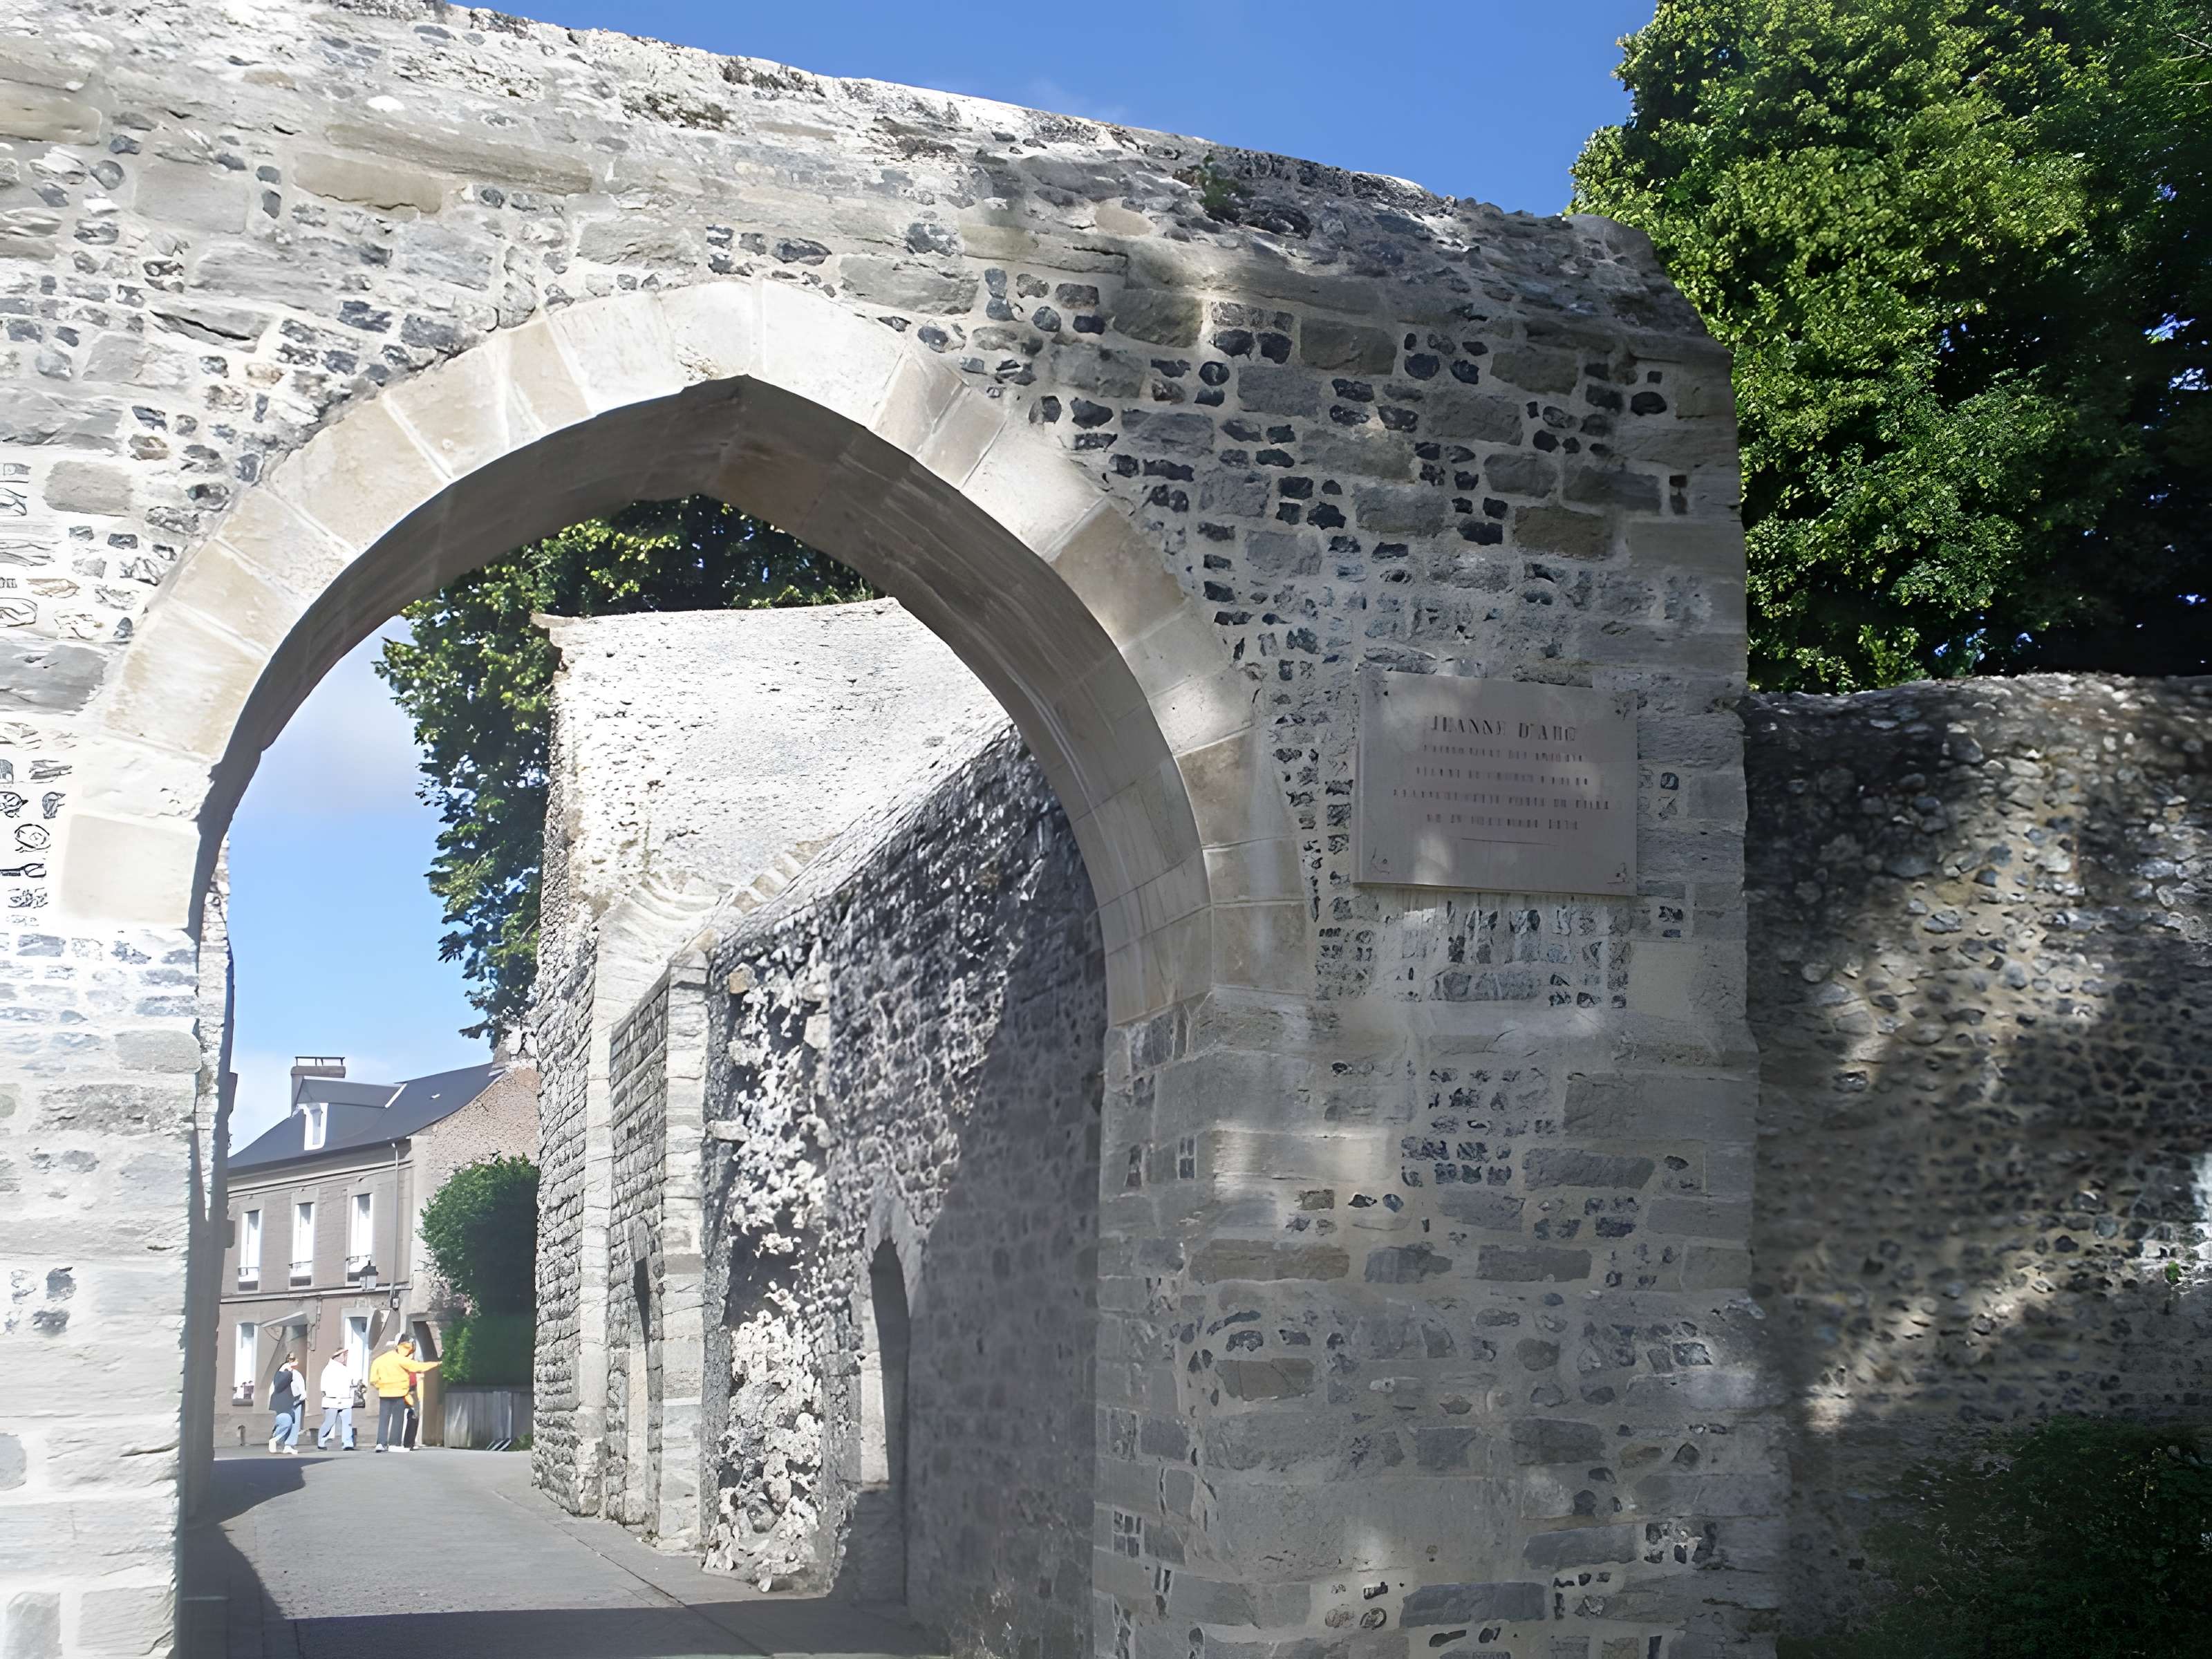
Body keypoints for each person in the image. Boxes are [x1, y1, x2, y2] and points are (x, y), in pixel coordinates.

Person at [367, 1338, 438, 1453]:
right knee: (397, 1419)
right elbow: (418, 1367)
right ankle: (394, 1444)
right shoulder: (400, 1359)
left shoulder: (378, 1361)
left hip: (384, 1393)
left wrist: (381, 1386)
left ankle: (381, 1443)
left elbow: (373, 1380)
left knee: (384, 1419)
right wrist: (436, 1364)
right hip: (399, 1393)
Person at [315, 1347, 355, 1451]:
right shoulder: (328, 1369)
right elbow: (323, 1387)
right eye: (343, 1356)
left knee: (347, 1423)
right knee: (330, 1422)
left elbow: (351, 1383)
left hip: (346, 1400)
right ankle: (321, 1441)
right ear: (337, 1357)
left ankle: (348, 1443)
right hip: (332, 1400)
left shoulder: (346, 1369)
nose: (345, 1358)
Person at [267, 1353, 306, 1456]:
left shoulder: (278, 1373)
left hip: (281, 1402)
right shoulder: (294, 1373)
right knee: (293, 1423)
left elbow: (273, 1389)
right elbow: (301, 1388)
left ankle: (285, 1443)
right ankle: (284, 1442)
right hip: (294, 1401)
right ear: (295, 1362)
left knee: (285, 1421)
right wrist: (302, 1397)